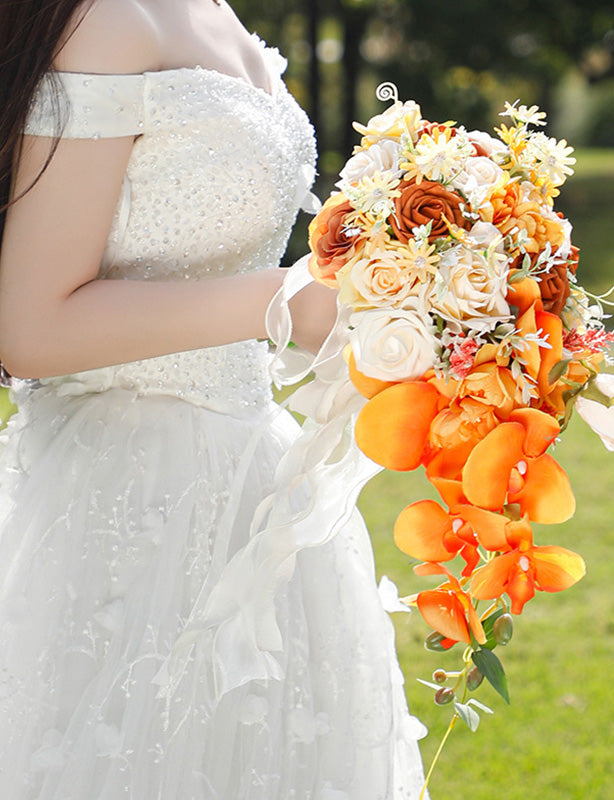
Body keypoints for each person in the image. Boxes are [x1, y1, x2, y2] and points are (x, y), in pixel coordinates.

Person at [0, 0, 428, 796]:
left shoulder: (212, 10)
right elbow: (30, 325)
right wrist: (282, 302)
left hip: (257, 480)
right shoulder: (108, 19)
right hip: (126, 496)